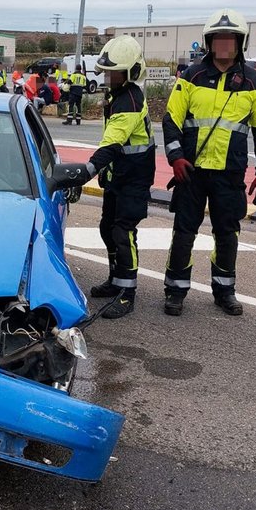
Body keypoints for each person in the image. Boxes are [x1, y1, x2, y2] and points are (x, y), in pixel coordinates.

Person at [161, 8, 256, 317]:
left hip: (229, 173)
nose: (224, 46)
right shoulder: (192, 76)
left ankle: (224, 290)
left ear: (241, 43)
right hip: (192, 172)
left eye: (230, 40)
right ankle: (175, 290)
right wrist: (176, 157)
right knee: (184, 231)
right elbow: (171, 119)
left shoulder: (253, 82)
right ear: (209, 43)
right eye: (219, 40)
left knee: (227, 233)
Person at [79, 35, 156, 319]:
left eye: (115, 72)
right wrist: (105, 174)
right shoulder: (117, 95)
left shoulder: (130, 101)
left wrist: (85, 172)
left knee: (124, 233)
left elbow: (111, 144)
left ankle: (127, 293)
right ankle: (115, 280)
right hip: (119, 177)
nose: (109, 76)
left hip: (134, 180)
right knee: (107, 228)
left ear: (132, 71)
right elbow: (116, 145)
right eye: (108, 72)